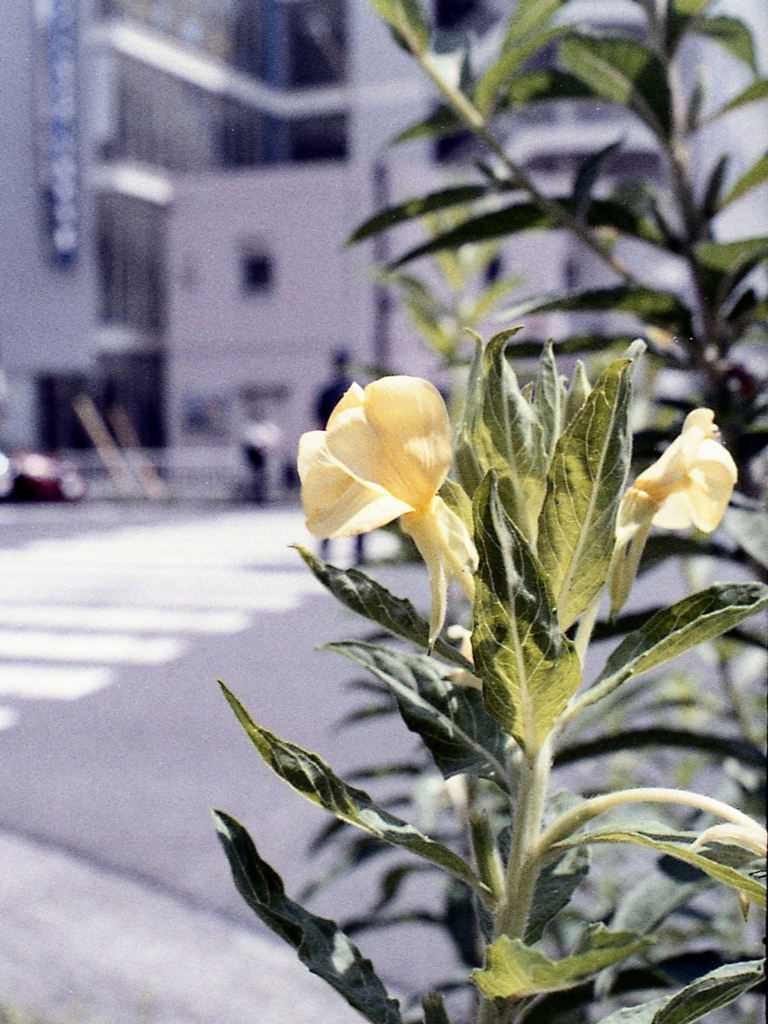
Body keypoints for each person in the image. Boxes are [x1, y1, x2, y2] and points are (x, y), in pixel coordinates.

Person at [314, 351, 365, 564]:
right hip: (356, 450)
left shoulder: (326, 392)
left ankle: (326, 544)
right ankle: (359, 550)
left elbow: (318, 421)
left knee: (331, 499)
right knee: (359, 500)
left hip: (332, 449)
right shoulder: (357, 391)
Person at [240, 404, 281, 503]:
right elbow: (248, 440)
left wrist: (267, 448)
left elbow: (276, 439)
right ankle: (256, 496)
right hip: (254, 453)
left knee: (266, 475)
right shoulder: (251, 427)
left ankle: (265, 495)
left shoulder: (269, 428)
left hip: (267, 453)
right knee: (256, 475)